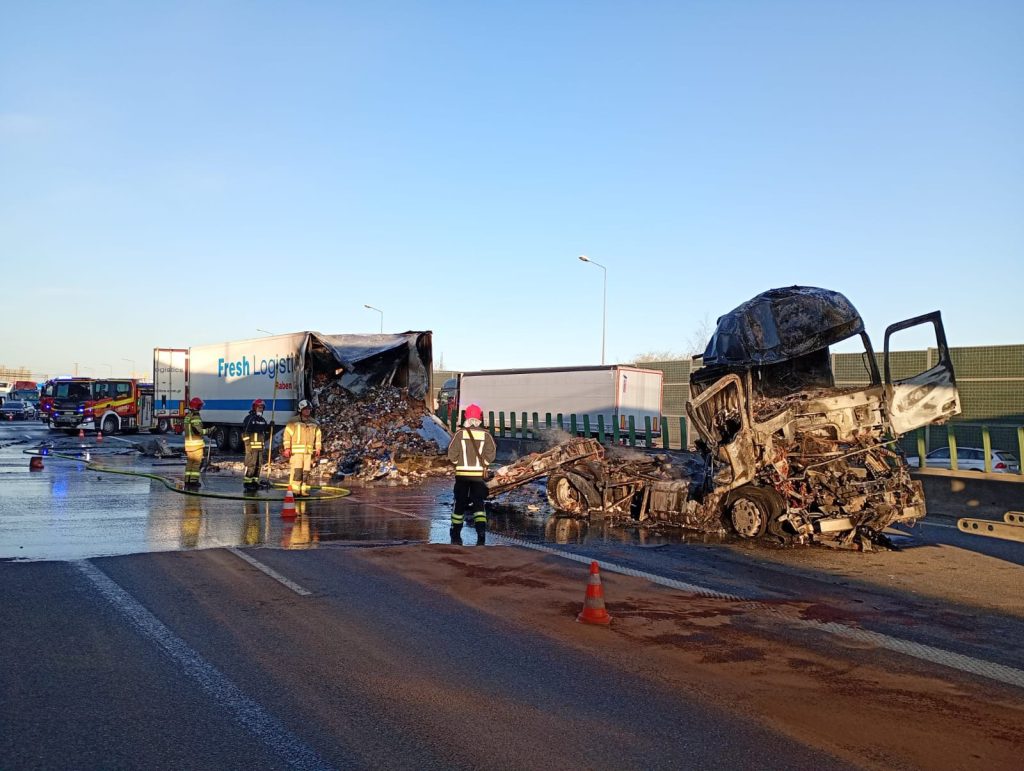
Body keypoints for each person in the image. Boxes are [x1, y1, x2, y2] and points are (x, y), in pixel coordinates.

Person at [446, 403, 496, 545]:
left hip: (462, 475)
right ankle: (481, 532)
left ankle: (456, 532)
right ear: (479, 418)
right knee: (479, 505)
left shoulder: (460, 434)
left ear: (466, 418)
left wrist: (459, 462)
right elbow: (491, 455)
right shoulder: (486, 435)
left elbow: (452, 455)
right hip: (478, 476)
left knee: (460, 504)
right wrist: (483, 464)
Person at [282, 399, 322, 496]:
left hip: (308, 453)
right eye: (305, 409)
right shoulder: (293, 421)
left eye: (309, 409)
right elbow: (287, 435)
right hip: (296, 453)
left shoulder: (314, 423)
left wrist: (318, 448)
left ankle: (303, 490)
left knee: (306, 472)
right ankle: (295, 491)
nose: (307, 411)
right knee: (297, 471)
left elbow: (318, 437)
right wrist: (287, 448)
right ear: (300, 410)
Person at [183, 397, 215, 489]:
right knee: (196, 463)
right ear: (197, 406)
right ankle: (193, 482)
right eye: (200, 406)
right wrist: (209, 430)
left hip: (188, 445)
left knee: (190, 463)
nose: (201, 407)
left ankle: (187, 481)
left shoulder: (188, 416)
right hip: (196, 445)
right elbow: (199, 431)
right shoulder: (195, 417)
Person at [241, 399, 270, 492]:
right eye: (259, 407)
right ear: (254, 408)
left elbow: (265, 430)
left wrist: (270, 426)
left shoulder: (262, 420)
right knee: (251, 465)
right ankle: (247, 483)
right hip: (252, 447)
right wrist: (248, 446)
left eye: (262, 407)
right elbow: (245, 433)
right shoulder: (250, 418)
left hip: (260, 447)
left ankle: (254, 482)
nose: (260, 409)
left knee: (258, 465)